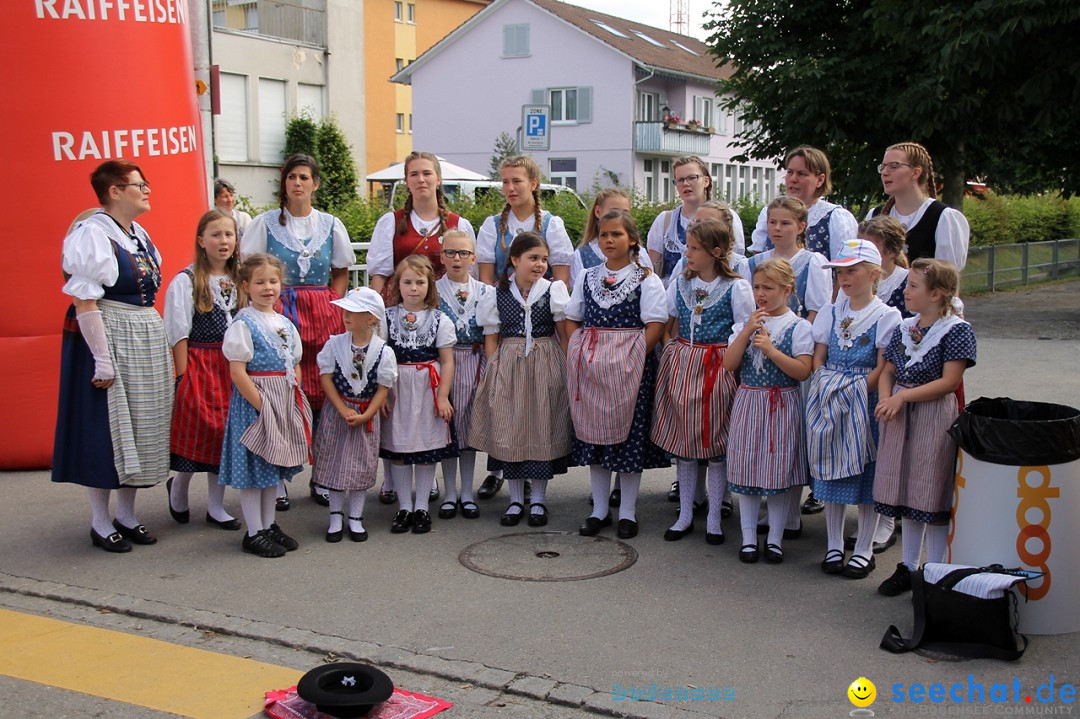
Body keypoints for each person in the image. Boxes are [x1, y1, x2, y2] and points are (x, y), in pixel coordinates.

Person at [53, 159, 173, 552]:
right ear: (115, 191)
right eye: (140, 184)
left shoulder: (136, 233)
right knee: (107, 428)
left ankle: (127, 514)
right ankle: (100, 521)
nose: (147, 189)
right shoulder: (92, 234)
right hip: (110, 334)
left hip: (141, 332)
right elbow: (85, 300)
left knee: (139, 426)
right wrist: (101, 360)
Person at [242, 154, 353, 509]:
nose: (297, 183)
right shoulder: (264, 224)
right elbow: (251, 270)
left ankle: (321, 476)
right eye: (291, 177)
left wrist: (333, 303)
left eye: (304, 177)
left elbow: (340, 270)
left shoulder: (331, 224)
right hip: (280, 312)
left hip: (321, 313)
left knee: (322, 396)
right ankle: (279, 478)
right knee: (283, 394)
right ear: (284, 184)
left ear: (315, 184)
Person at [369, 152, 472, 506]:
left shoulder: (457, 222)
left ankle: (427, 475)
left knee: (428, 399)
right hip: (399, 312)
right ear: (407, 181)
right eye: (414, 174)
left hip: (440, 311)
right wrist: (377, 311)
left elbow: (466, 271)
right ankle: (390, 478)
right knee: (393, 398)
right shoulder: (392, 221)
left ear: (438, 179)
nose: (421, 179)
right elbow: (381, 272)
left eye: (427, 173)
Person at [874, 259, 976, 596]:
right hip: (899, 412)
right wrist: (888, 397)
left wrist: (902, 399)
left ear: (937, 294)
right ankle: (907, 567)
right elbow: (888, 369)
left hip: (933, 413)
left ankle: (932, 572)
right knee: (904, 488)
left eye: (913, 286)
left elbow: (949, 382)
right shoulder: (905, 327)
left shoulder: (957, 329)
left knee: (929, 490)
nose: (906, 291)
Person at [474, 155, 574, 500]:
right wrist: (507, 299)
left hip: (540, 315)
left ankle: (533, 479)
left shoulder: (552, 224)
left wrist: (544, 294)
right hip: (509, 314)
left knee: (535, 408)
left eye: (517, 181)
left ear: (533, 183)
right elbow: (486, 276)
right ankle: (499, 470)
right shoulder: (493, 225)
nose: (510, 188)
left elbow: (560, 272)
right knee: (507, 406)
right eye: (505, 182)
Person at [567, 210, 668, 539]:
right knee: (595, 437)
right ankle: (599, 509)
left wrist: (632, 356)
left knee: (627, 439)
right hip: (592, 366)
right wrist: (579, 352)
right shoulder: (587, 276)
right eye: (603, 235)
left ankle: (627, 511)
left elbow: (655, 323)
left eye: (616, 234)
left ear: (632, 240)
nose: (608, 240)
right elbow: (573, 317)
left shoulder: (645, 278)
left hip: (629, 368)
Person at [651, 220, 753, 544]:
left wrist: (728, 362)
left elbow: (743, 328)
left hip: (717, 366)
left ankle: (713, 517)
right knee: (686, 442)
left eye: (694, 248)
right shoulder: (680, 282)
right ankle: (684, 514)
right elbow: (667, 318)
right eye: (688, 247)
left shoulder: (736, 286)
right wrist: (669, 344)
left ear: (716, 252)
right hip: (684, 362)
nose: (688, 253)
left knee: (715, 442)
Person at [805, 240, 901, 579]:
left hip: (863, 399)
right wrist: (823, 380)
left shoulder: (886, 316)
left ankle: (862, 548)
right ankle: (833, 544)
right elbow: (819, 353)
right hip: (830, 395)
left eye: (852, 270)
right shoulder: (832, 311)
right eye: (840, 272)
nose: (844, 278)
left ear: (874, 274)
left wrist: (858, 389)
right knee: (832, 469)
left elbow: (883, 365)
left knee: (864, 473)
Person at [470, 232, 573, 527]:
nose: (540, 264)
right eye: (533, 258)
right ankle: (515, 501)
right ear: (515, 260)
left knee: (542, 427)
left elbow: (564, 334)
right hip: (509, 363)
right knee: (511, 429)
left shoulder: (553, 290)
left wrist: (565, 368)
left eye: (544, 259)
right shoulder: (497, 293)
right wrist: (494, 367)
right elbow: (492, 337)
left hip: (544, 360)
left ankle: (538, 500)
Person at [219, 254, 312, 558]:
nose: (268, 288)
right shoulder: (243, 323)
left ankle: (269, 524)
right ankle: (254, 531)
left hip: (281, 399)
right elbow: (237, 371)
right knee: (255, 469)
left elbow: (294, 362)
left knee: (273, 468)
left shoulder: (283, 322)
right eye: (260, 282)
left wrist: (291, 391)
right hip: (256, 402)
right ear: (246, 285)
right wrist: (262, 404)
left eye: (272, 281)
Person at [723, 259, 814, 564]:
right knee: (748, 470)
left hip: (781, 405)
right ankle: (749, 537)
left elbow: (803, 371)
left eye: (768, 288)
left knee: (777, 474)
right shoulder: (744, 325)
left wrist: (772, 351)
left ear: (787, 290)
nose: (760, 293)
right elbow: (729, 364)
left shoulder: (799, 327)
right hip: (749, 403)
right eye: (757, 286)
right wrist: (747, 330)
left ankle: (774, 538)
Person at [163, 210, 242, 531]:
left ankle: (215, 506)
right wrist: (182, 378)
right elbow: (177, 331)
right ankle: (178, 487)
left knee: (224, 434)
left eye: (229, 234)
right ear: (201, 241)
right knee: (195, 431)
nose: (223, 241)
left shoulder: (241, 279)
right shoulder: (185, 280)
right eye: (216, 234)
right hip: (198, 362)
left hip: (231, 367)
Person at [379, 255, 458, 535]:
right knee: (399, 448)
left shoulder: (439, 319)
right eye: (408, 282)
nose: (414, 288)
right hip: (397, 388)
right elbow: (380, 357)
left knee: (426, 449)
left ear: (429, 285)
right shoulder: (387, 318)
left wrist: (443, 395)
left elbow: (447, 361)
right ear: (397, 285)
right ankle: (404, 507)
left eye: (420, 282)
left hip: (427, 388)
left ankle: (422, 506)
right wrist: (383, 395)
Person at [312, 287, 397, 543]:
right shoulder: (334, 344)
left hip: (365, 414)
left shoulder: (383, 351)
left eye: (354, 311)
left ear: (371, 317)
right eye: (345, 310)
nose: (346, 315)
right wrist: (341, 408)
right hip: (338, 412)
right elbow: (326, 378)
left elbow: (383, 389)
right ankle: (335, 516)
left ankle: (356, 518)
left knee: (360, 465)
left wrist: (367, 415)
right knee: (335, 464)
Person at [435, 230, 491, 520]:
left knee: (468, 428)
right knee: (447, 428)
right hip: (444, 364)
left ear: (474, 258)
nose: (457, 259)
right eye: (451, 253)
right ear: (442, 256)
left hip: (474, 360)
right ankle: (449, 494)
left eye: (464, 253)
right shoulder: (433, 291)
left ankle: (466, 493)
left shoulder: (486, 292)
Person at [868, 141, 969, 270]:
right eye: (883, 167)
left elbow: (947, 280)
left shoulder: (942, 217)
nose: (885, 172)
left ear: (916, 172)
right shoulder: (875, 216)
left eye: (893, 166)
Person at [647, 155, 746, 285]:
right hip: (671, 296)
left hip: (717, 292)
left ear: (706, 181)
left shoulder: (726, 216)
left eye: (692, 178)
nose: (685, 183)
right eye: (680, 180)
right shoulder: (665, 220)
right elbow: (652, 267)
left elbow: (734, 259)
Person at [749, 146, 858, 260]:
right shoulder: (770, 212)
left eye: (802, 174)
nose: (793, 179)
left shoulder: (836, 217)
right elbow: (757, 260)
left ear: (820, 180)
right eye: (790, 172)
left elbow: (845, 267)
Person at [570, 188, 654, 288]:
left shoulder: (639, 253)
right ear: (598, 212)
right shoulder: (582, 255)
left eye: (625, 213)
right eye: (613, 212)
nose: (619, 217)